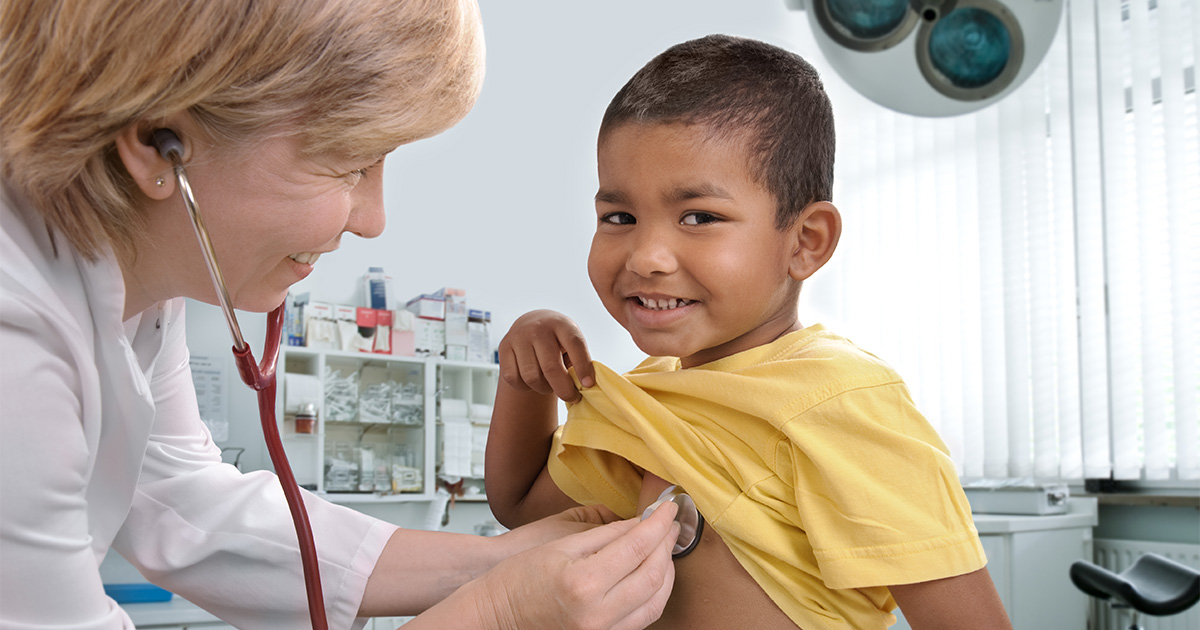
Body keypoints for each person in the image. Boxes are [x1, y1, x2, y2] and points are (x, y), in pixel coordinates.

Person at [0, 1, 682, 628]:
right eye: (351, 164)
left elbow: (183, 504)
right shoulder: (15, 332)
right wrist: (497, 612)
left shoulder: (135, 287)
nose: (375, 221)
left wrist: (496, 561)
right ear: (157, 143)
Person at [485, 34, 1013, 629]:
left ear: (805, 241)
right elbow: (522, 507)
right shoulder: (646, 400)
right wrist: (523, 377)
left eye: (700, 217)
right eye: (619, 217)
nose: (647, 255)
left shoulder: (843, 404)